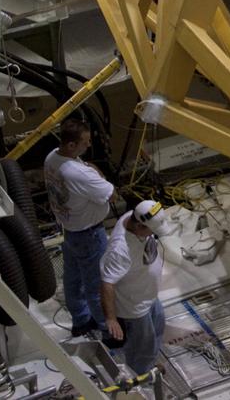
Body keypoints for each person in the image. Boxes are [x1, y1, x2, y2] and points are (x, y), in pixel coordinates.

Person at [43, 118, 115, 336]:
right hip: (89, 235)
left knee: (73, 279)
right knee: (97, 286)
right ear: (71, 145)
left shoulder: (52, 157)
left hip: (69, 231)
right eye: (85, 142)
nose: (89, 145)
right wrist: (97, 173)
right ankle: (107, 329)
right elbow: (111, 194)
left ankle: (81, 321)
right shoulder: (78, 173)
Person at [100, 199, 170, 376]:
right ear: (139, 227)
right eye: (152, 231)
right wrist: (111, 318)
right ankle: (140, 377)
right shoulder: (119, 251)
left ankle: (150, 363)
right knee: (142, 347)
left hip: (149, 295)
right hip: (135, 306)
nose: (153, 235)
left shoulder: (131, 217)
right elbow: (107, 284)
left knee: (158, 329)